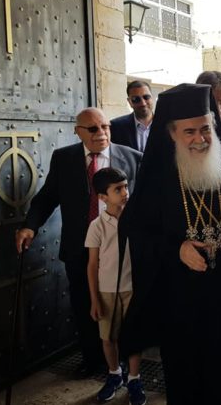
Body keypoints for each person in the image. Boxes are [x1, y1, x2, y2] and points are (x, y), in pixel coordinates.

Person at [119, 83, 221, 405]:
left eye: (205, 129)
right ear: (172, 133)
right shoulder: (158, 178)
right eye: (189, 132)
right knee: (190, 385)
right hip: (181, 307)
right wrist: (176, 250)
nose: (200, 138)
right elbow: (137, 231)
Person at [15, 108, 142, 376]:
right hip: (79, 248)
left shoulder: (132, 157)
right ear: (78, 132)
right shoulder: (64, 159)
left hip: (122, 250)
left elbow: (146, 201)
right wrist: (29, 226)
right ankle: (93, 360)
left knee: (124, 307)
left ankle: (122, 363)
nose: (101, 133)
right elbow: (47, 197)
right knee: (85, 306)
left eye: (105, 127)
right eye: (93, 129)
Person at [85, 168, 145, 405]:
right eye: (117, 189)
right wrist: (94, 299)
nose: (125, 192)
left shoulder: (136, 220)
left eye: (126, 186)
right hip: (107, 290)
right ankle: (114, 374)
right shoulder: (97, 226)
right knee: (108, 337)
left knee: (134, 336)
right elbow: (92, 265)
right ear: (102, 197)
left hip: (132, 288)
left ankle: (134, 379)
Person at [111, 81, 155, 152]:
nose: (143, 103)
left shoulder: (166, 124)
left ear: (152, 98)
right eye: (136, 99)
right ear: (129, 102)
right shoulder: (116, 127)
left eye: (146, 97)